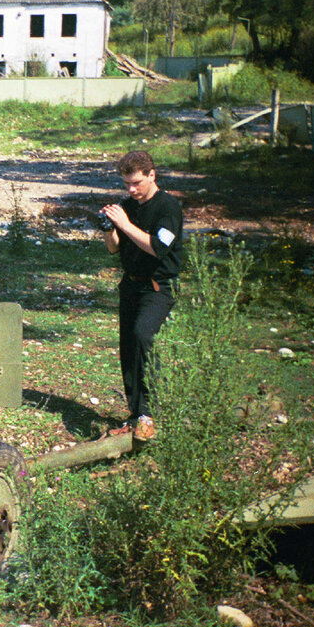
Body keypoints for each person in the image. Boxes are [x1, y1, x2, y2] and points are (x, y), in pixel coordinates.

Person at [98, 150, 183, 441]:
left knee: (142, 336)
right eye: (126, 184)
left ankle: (151, 411)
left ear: (151, 175)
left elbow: (158, 248)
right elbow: (113, 248)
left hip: (158, 287)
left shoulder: (167, 208)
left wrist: (124, 224)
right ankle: (136, 415)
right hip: (131, 284)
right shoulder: (127, 206)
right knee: (129, 348)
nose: (131, 190)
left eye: (136, 183)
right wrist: (110, 228)